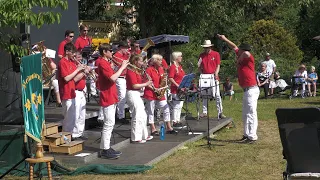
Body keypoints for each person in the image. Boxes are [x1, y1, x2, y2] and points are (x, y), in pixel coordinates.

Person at [218, 34, 259, 144]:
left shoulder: (248, 57)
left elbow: (247, 53)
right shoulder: (240, 53)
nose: (238, 50)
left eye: (240, 49)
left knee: (251, 113)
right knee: (245, 113)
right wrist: (224, 39)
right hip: (246, 90)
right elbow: (234, 46)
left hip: (251, 89)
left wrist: (239, 59)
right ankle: (246, 134)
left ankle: (252, 136)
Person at [97, 43, 128, 159]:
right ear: (104, 52)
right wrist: (122, 67)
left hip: (112, 95)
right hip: (107, 96)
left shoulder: (106, 62)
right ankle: (105, 149)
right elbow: (113, 78)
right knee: (108, 123)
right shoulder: (102, 62)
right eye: (110, 51)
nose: (112, 53)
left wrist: (115, 67)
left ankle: (106, 147)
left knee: (111, 123)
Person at [144, 54, 177, 135]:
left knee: (166, 108)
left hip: (160, 92)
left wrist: (165, 84)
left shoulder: (161, 69)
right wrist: (154, 89)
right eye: (159, 60)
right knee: (151, 110)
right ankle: (153, 128)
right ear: (154, 61)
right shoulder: (149, 70)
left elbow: (163, 80)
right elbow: (146, 83)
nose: (161, 61)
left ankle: (169, 127)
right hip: (151, 92)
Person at [58, 43, 86, 134]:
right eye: (73, 52)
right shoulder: (62, 62)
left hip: (72, 93)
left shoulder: (71, 62)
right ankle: (66, 140)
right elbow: (66, 78)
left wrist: (83, 70)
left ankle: (70, 138)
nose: (74, 55)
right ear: (67, 52)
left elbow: (74, 77)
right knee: (68, 120)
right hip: (66, 93)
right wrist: (78, 70)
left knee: (73, 118)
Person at [126, 54, 153, 143]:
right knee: (137, 115)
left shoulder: (137, 71)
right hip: (132, 93)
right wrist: (146, 84)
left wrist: (146, 81)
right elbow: (134, 85)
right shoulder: (130, 71)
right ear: (135, 61)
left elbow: (140, 83)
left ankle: (144, 135)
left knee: (143, 115)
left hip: (137, 94)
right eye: (141, 61)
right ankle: (135, 137)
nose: (142, 63)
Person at [198, 40, 226, 119]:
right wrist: (201, 74)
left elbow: (218, 65)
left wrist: (216, 73)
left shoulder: (216, 54)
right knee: (204, 94)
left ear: (210, 47)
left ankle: (220, 112)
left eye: (207, 47)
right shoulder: (201, 55)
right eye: (205, 47)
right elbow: (199, 65)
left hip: (213, 76)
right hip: (205, 77)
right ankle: (204, 112)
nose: (206, 49)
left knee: (217, 94)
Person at [113, 41, 130, 123]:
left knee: (124, 97)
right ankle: (120, 116)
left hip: (124, 77)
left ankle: (121, 115)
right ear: (121, 48)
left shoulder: (125, 55)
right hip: (119, 77)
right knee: (121, 97)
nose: (127, 50)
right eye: (126, 48)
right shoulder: (116, 55)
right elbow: (121, 66)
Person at [168, 51, 186, 129]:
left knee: (180, 105)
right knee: (176, 105)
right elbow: (171, 78)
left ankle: (177, 120)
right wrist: (178, 85)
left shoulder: (179, 67)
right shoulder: (173, 67)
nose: (181, 58)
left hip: (181, 89)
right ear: (176, 57)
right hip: (176, 89)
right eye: (180, 56)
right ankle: (174, 121)